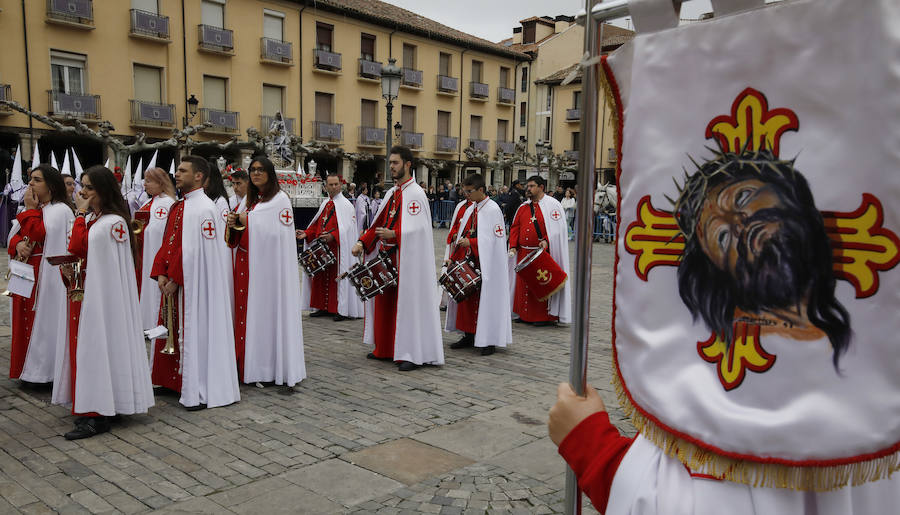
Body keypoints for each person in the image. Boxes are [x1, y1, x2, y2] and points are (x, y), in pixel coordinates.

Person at [56, 166, 154, 440]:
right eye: (82, 186)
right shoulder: (101, 221)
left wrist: (78, 214)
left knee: (97, 349)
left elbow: (76, 247)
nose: (82, 192)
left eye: (89, 187)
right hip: (94, 295)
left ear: (103, 190)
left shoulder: (111, 223)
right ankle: (103, 404)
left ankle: (97, 414)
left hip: (103, 299)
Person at [150, 155, 240, 410]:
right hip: (174, 280)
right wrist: (161, 272)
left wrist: (176, 278)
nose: (176, 174)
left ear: (199, 176)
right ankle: (173, 382)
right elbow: (169, 243)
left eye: (182, 170)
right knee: (171, 327)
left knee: (192, 329)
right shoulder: (178, 206)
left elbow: (197, 253)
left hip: (194, 285)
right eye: (176, 170)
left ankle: (197, 387)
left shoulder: (205, 209)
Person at [352, 146, 443, 372]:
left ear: (407, 164)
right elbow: (378, 223)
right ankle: (385, 348)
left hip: (408, 261)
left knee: (408, 306)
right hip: (388, 259)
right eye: (390, 163)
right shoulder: (392, 193)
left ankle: (412, 352)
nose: (391, 167)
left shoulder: (416, 194)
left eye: (395, 163)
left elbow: (421, 231)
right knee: (385, 304)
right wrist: (363, 242)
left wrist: (396, 234)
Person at [226, 156, 306, 388]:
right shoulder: (250, 201)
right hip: (246, 265)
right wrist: (234, 221)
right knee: (244, 315)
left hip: (268, 272)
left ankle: (265, 367)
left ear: (270, 173)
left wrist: (246, 220)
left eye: (261, 170)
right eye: (252, 170)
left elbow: (276, 234)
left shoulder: (280, 200)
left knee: (264, 316)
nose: (256, 173)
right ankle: (244, 363)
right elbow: (243, 225)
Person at [8, 164, 74, 383]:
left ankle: (43, 372)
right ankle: (26, 369)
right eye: (30, 179)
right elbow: (13, 236)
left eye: (37, 180)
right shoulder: (36, 208)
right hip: (27, 272)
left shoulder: (60, 210)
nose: (31, 184)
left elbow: (39, 232)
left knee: (42, 322)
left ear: (51, 185)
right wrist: (17, 245)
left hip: (47, 275)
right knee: (23, 319)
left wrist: (29, 210)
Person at [444, 174, 512, 356]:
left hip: (486, 264)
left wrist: (472, 243)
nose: (466, 195)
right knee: (467, 302)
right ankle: (469, 334)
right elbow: (462, 235)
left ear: (481, 190)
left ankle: (488, 340)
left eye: (469, 191)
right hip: (469, 263)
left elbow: (495, 240)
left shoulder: (492, 209)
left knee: (485, 302)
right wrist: (453, 257)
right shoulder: (470, 209)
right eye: (464, 191)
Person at [298, 173, 365, 321]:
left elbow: (348, 228)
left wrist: (333, 236)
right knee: (321, 278)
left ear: (340, 185)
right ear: (326, 186)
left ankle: (340, 309)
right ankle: (323, 307)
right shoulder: (325, 204)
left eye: (336, 184)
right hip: (323, 249)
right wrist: (307, 233)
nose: (334, 187)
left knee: (338, 280)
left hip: (339, 250)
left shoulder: (346, 205)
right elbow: (316, 224)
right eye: (331, 185)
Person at [508, 175, 572, 326]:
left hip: (541, 254)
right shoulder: (523, 207)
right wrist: (513, 245)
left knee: (540, 284)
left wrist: (547, 241)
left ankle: (542, 317)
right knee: (523, 285)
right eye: (527, 186)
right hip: (523, 253)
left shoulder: (553, 205)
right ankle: (524, 314)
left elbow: (558, 230)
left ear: (541, 187)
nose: (528, 189)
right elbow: (515, 227)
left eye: (531, 186)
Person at [134, 167, 176, 331]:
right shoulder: (147, 202)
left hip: (155, 255)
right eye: (145, 180)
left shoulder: (167, 203)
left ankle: (155, 323)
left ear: (161, 182)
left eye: (149, 180)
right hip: (144, 253)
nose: (145, 184)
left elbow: (161, 231)